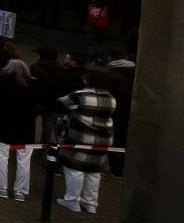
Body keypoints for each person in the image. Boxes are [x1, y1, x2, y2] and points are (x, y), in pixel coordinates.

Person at [55, 71, 117, 214]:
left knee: (75, 169)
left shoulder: (80, 94)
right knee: (94, 171)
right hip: (103, 138)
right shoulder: (111, 98)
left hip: (80, 136)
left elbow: (61, 103)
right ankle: (90, 203)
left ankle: (72, 200)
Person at [0, 59, 37, 200]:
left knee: (2, 158)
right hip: (26, 129)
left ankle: (1, 187)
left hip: (3, 127)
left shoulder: (0, 83)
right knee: (24, 161)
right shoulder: (31, 85)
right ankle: (20, 191)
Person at [103, 49, 135, 177]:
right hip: (131, 113)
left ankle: (115, 168)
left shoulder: (110, 74)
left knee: (113, 140)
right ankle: (123, 167)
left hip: (113, 112)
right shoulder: (135, 73)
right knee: (124, 140)